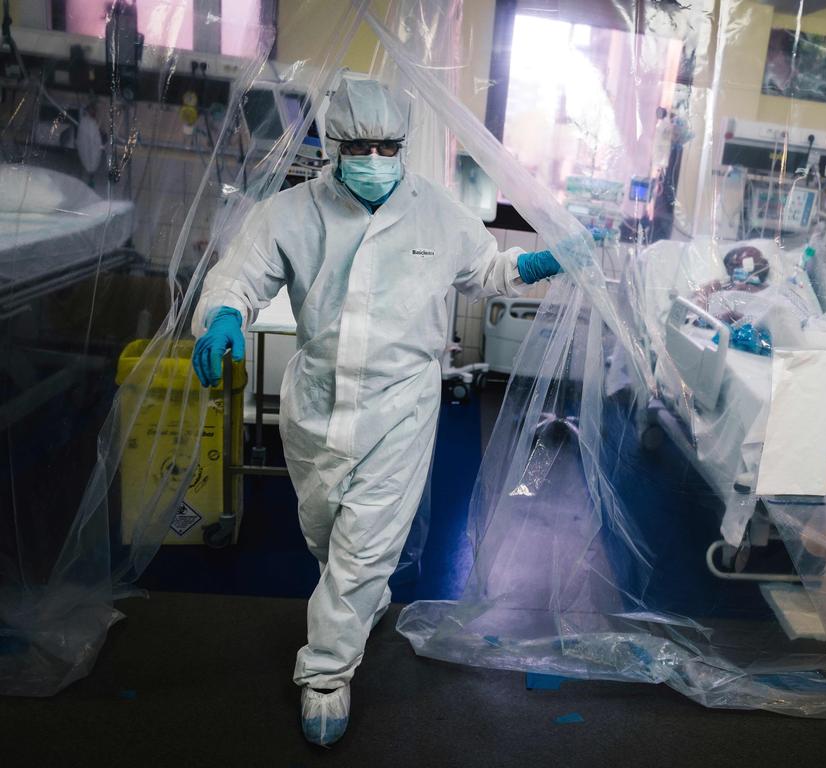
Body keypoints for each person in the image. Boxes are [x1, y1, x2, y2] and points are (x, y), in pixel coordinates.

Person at [190, 74, 561, 746]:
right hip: (315, 403)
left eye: (387, 144)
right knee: (327, 532)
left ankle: (327, 674)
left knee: (363, 548)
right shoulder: (290, 214)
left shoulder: (436, 211)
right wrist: (221, 316)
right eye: (360, 144)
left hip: (400, 406)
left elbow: (486, 270)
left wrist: (538, 261)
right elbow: (239, 278)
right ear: (333, 145)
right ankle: (360, 600)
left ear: (403, 145)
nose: (374, 157)